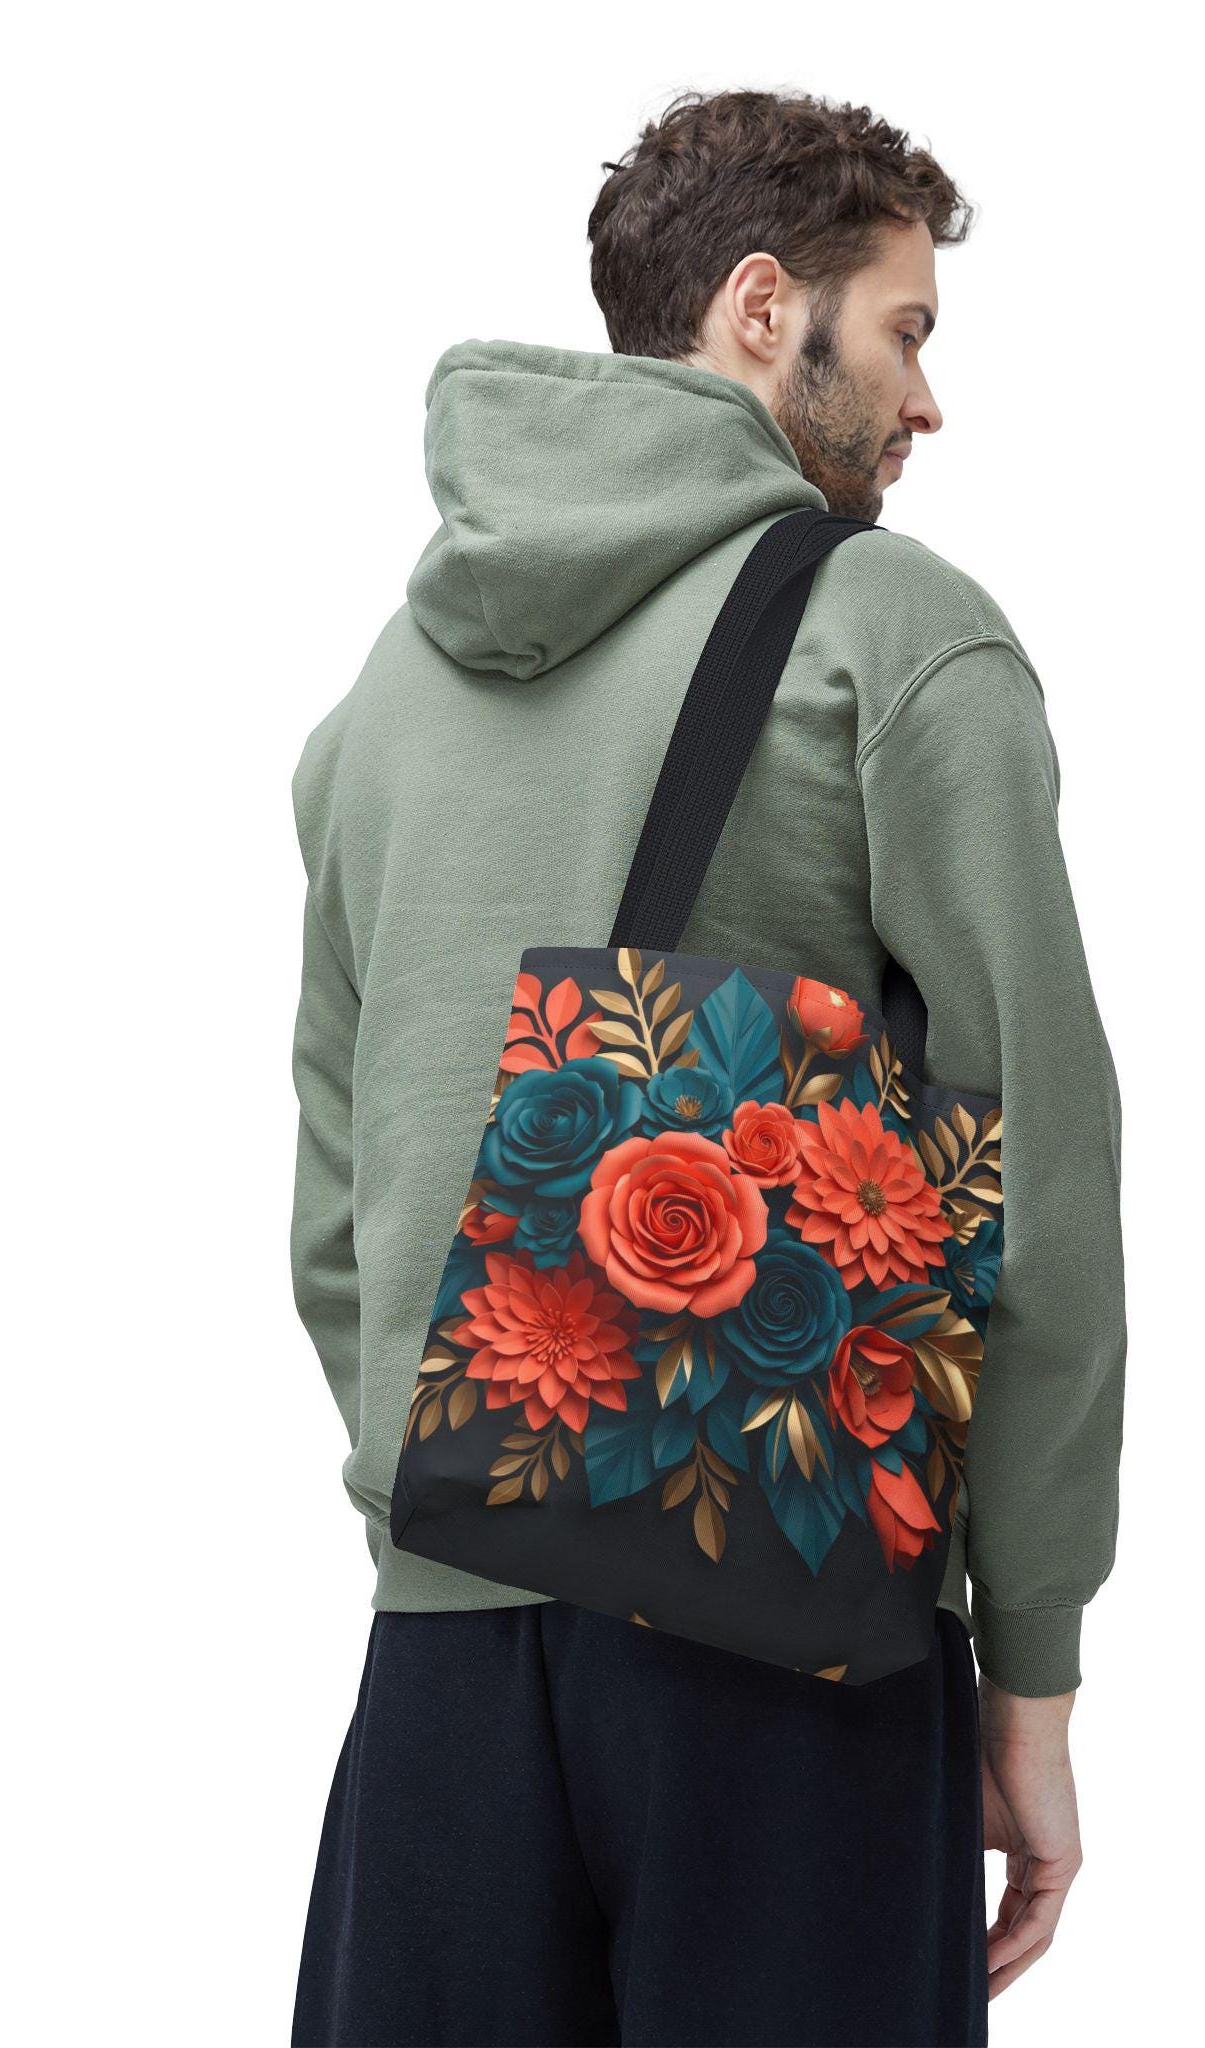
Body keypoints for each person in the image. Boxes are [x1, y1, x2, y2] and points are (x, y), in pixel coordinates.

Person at [287, 88, 1125, 2048]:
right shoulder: (893, 638)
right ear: (763, 308)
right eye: (904, 331)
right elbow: (1041, 1188)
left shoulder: (382, 697)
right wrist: (1033, 1667)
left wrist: (462, 1507)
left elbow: (337, 1200)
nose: (926, 404)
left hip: (439, 1659)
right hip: (789, 1637)